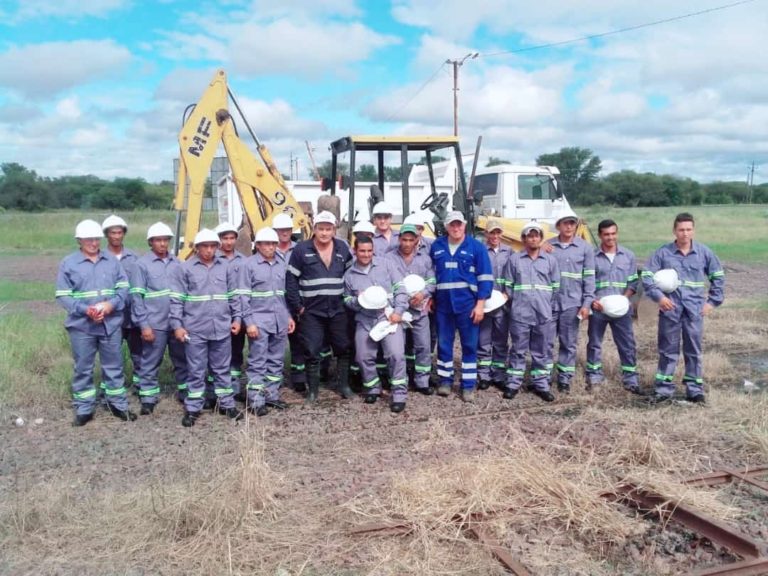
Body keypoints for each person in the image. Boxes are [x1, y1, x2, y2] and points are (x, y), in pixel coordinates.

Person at [55, 219, 136, 426]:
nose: (93, 242)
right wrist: (86, 311)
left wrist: (110, 305)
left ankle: (117, 404)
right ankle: (84, 408)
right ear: (79, 241)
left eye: (96, 239)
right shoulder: (69, 263)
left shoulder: (111, 260)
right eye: (88, 239)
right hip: (82, 326)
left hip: (110, 324)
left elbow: (123, 288)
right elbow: (63, 295)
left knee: (114, 365)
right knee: (83, 367)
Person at [642, 212, 725, 404]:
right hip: (670, 309)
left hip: (695, 310)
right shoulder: (663, 253)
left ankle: (694, 389)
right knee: (667, 349)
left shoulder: (704, 253)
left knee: (693, 349)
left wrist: (712, 302)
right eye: (681, 230)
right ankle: (663, 389)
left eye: (688, 229)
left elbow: (718, 277)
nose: (685, 234)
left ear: (693, 231)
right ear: (674, 231)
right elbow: (646, 276)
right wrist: (660, 298)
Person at [170, 229, 243, 427]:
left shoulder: (225, 267)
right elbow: (176, 300)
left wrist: (237, 319)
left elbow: (234, 296)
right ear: (197, 248)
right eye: (205, 246)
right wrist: (177, 325)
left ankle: (226, 404)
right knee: (196, 369)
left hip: (221, 327)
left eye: (212, 246)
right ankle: (193, 408)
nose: (209, 250)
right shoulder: (185, 269)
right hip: (195, 329)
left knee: (222, 369)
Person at [286, 211, 354, 403]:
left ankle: (343, 385)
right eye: (321, 229)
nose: (324, 233)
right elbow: (291, 280)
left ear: (334, 230)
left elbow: (351, 276)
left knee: (343, 348)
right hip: (311, 312)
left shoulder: (342, 248)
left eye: (328, 229)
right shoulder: (301, 249)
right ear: (314, 229)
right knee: (312, 349)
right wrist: (298, 307)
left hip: (338, 309)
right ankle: (313, 391)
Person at [430, 210, 493, 402]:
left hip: (467, 306)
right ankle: (445, 382)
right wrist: (431, 297)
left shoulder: (476, 247)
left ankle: (467, 386)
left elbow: (485, 278)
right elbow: (430, 274)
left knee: (469, 346)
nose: (456, 228)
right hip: (443, 306)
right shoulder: (437, 246)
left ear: (464, 225)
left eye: (459, 224)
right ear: (446, 227)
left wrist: (480, 304)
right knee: (444, 345)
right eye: (452, 225)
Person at [344, 236, 409, 412]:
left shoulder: (386, 265)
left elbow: (400, 289)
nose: (366, 254)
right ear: (355, 251)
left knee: (395, 355)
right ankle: (373, 387)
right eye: (362, 251)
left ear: (373, 250)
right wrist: (358, 300)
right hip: (364, 319)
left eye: (369, 250)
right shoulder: (349, 275)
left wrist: (398, 311)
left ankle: (399, 394)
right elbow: (346, 299)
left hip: (388, 318)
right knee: (363, 357)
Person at [129, 222, 188, 414]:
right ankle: (148, 397)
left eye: (165, 240)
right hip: (155, 323)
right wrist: (144, 325)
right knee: (150, 361)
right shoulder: (141, 265)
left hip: (177, 322)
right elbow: (137, 297)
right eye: (158, 240)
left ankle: (185, 392)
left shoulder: (178, 263)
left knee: (182, 359)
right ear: (151, 242)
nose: (162, 244)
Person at [501, 221, 559, 402]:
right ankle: (513, 384)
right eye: (530, 236)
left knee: (541, 351)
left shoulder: (550, 260)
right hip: (520, 314)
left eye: (536, 236)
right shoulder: (515, 260)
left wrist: (547, 306)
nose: (533, 239)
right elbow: (508, 287)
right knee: (518, 350)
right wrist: (515, 305)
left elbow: (555, 287)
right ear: (524, 239)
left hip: (543, 314)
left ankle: (541, 385)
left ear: (541, 239)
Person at [242, 227, 295, 416]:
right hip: (259, 321)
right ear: (257, 245)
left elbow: (283, 295)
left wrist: (288, 316)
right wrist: (249, 322)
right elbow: (243, 297)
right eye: (266, 244)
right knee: (258, 362)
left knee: (276, 361)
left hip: (279, 320)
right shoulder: (248, 265)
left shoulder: (281, 263)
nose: (270, 247)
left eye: (273, 244)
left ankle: (272, 395)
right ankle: (256, 400)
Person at [586, 219, 642, 395]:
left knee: (627, 343)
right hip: (599, 308)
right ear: (600, 235)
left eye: (613, 233)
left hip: (622, 309)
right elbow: (587, 281)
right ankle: (594, 377)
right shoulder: (592, 257)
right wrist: (593, 300)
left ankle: (630, 378)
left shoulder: (628, 256)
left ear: (617, 233)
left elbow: (633, 281)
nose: (610, 237)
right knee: (594, 343)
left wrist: (625, 299)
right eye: (606, 234)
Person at [544, 212, 595, 393]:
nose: (569, 227)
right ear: (558, 225)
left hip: (572, 304)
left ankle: (564, 379)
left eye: (572, 223)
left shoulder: (585, 248)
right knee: (546, 342)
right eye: (565, 223)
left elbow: (589, 278)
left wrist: (587, 303)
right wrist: (541, 247)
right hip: (549, 303)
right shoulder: (548, 245)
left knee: (568, 342)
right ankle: (545, 377)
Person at [385, 224, 436, 395]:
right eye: (404, 239)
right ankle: (401, 380)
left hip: (420, 311)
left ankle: (422, 380)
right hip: (399, 312)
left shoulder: (425, 258)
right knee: (399, 348)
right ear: (399, 239)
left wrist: (423, 294)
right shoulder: (389, 258)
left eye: (411, 240)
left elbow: (432, 281)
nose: (407, 243)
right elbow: (385, 281)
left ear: (416, 240)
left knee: (423, 346)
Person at [101, 214, 142, 393]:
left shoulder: (134, 257)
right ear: (106, 235)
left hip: (132, 315)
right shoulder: (100, 258)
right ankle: (110, 389)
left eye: (119, 232)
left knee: (139, 354)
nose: (116, 236)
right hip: (110, 316)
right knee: (111, 355)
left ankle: (141, 386)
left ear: (123, 234)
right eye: (112, 233)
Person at [477, 219, 513, 390]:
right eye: (492, 232)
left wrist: (508, 293)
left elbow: (514, 274)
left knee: (500, 340)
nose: (495, 236)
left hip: (502, 303)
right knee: (483, 340)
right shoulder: (480, 251)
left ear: (502, 234)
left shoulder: (510, 252)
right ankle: (483, 375)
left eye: (498, 232)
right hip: (485, 302)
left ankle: (498, 375)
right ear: (486, 233)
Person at [215, 222, 248, 403]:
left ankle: (234, 389)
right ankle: (217, 391)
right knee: (218, 353)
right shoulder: (214, 259)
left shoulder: (243, 260)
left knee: (236, 351)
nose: (228, 242)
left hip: (238, 314)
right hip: (219, 314)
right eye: (225, 238)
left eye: (232, 238)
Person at [273, 212, 305, 393]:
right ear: (275, 231)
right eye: (280, 230)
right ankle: (274, 379)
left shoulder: (299, 249)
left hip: (294, 299)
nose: (284, 232)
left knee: (298, 341)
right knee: (275, 342)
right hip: (275, 301)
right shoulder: (268, 248)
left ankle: (298, 377)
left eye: (287, 229)